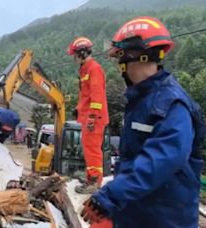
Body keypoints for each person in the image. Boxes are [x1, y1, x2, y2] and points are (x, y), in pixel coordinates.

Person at [81, 16, 205, 227]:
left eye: (120, 57)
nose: (119, 65)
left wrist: (111, 196)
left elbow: (162, 159)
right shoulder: (142, 100)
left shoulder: (172, 104)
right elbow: (134, 161)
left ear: (133, 56)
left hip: (164, 219)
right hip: (140, 214)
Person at [67, 36, 109, 194]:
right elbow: (86, 95)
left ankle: (94, 181)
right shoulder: (86, 69)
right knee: (88, 147)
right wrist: (80, 110)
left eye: (75, 55)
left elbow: (96, 95)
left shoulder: (93, 69)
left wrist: (92, 116)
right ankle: (92, 177)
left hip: (94, 118)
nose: (74, 58)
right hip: (89, 116)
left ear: (82, 53)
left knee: (92, 149)